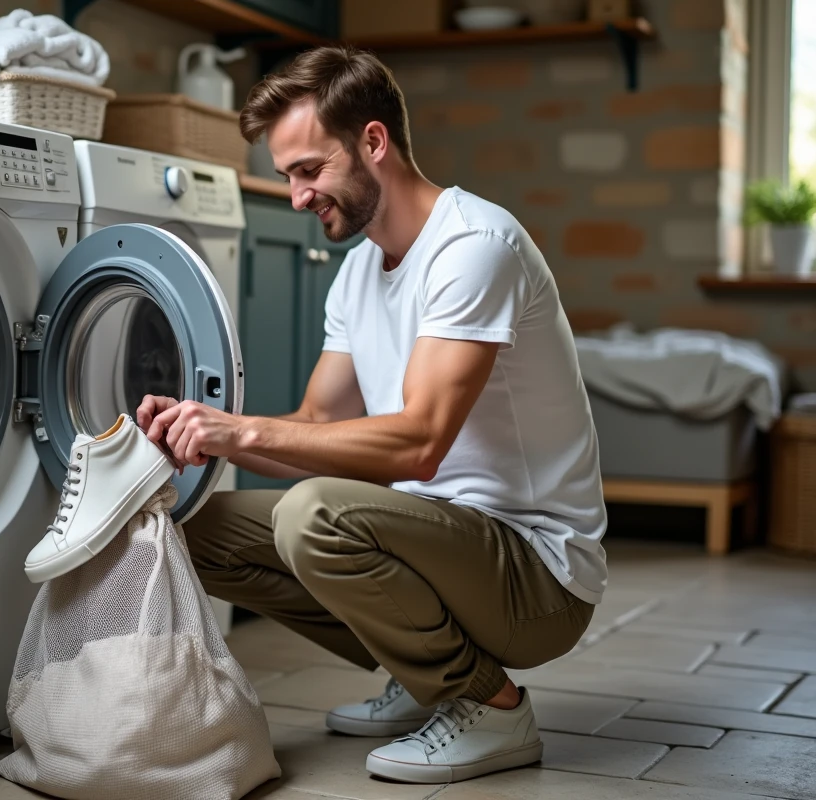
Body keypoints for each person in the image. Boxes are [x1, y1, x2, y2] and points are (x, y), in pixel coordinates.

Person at [136, 44, 607, 785]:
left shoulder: (472, 247)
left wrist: (242, 431)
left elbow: (420, 444)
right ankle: (423, 676)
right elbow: (315, 425)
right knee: (199, 534)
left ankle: (488, 703)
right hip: (439, 545)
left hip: (537, 578)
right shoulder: (358, 272)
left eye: (308, 170)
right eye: (289, 175)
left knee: (312, 516)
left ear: (374, 142)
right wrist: (201, 429)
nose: (296, 196)